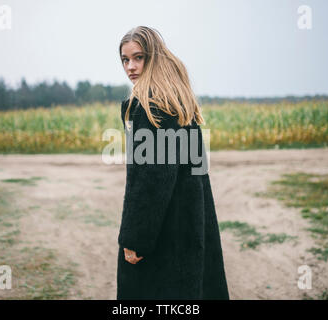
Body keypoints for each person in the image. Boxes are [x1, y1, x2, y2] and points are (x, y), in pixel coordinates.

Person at [117, 26, 229, 300]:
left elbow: (151, 181)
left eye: (138, 57)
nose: (130, 67)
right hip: (188, 228)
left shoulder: (150, 107)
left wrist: (136, 239)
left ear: (153, 57)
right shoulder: (178, 104)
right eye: (125, 59)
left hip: (162, 238)